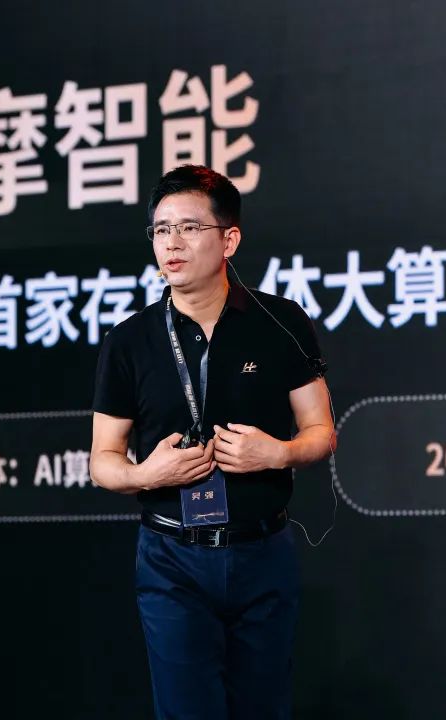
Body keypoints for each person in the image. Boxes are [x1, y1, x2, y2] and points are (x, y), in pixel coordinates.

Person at [89, 164, 336, 719]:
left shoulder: (281, 322)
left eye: (189, 227)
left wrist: (279, 452)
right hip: (171, 558)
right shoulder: (128, 341)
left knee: (263, 708)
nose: (171, 243)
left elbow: (321, 432)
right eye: (161, 229)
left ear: (229, 240)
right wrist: (145, 474)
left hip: (262, 550)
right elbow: (103, 460)